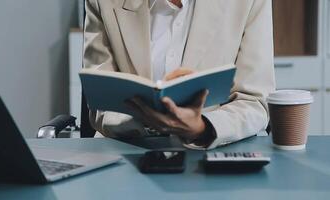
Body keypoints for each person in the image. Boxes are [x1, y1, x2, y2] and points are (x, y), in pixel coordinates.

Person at [83, 0, 275, 150]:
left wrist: (202, 128)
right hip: (125, 150)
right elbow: (100, 103)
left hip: (210, 151)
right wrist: (148, 121)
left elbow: (255, 102)